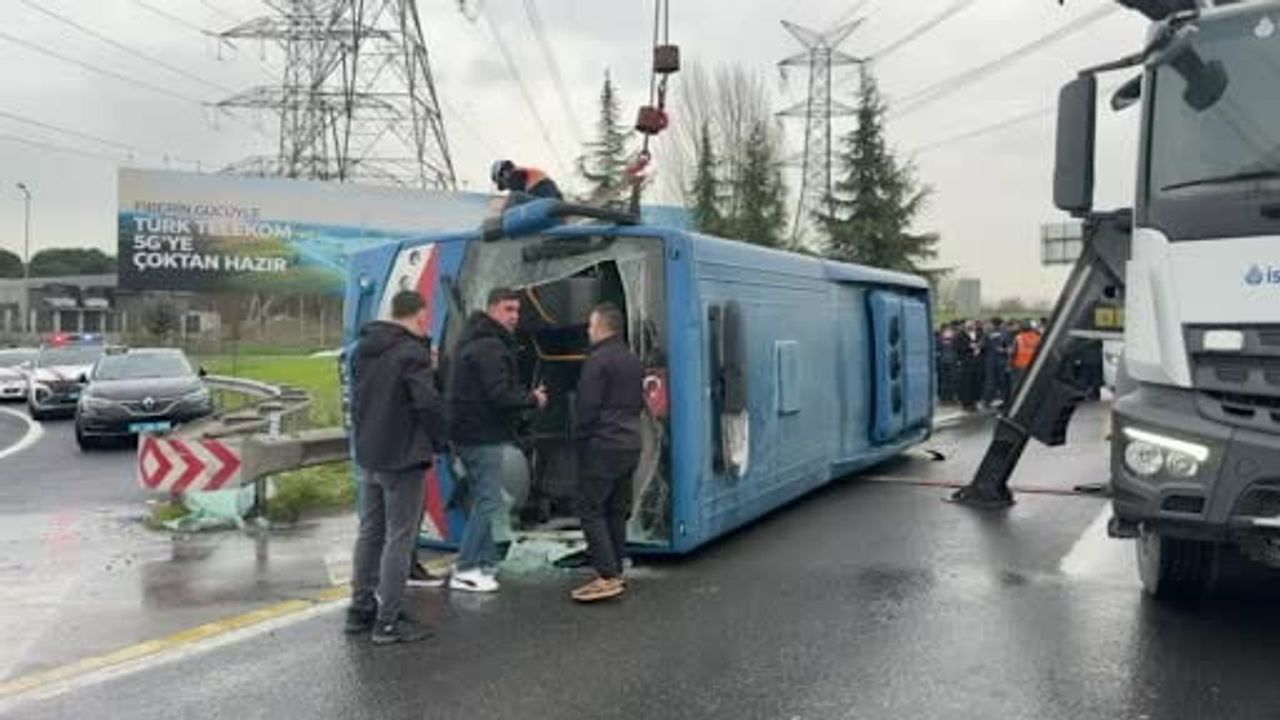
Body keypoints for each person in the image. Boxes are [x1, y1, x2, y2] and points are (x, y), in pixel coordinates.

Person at [346, 290, 448, 645]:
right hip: (403, 457)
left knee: (370, 533)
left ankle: (359, 610)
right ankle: (388, 620)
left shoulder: (362, 349)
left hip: (369, 454)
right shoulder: (411, 354)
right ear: (420, 316)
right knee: (400, 538)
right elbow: (428, 404)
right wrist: (442, 441)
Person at [446, 287, 548, 593]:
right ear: (491, 309)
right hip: (481, 435)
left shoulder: (474, 340)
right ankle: (466, 568)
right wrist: (533, 398)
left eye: (517, 311)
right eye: (508, 309)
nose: (514, 317)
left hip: (470, 433)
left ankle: (485, 562)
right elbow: (499, 394)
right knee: (489, 502)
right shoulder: (489, 346)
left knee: (487, 499)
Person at [571, 303, 644, 603]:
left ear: (602, 327)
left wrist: (579, 438)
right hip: (630, 442)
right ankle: (617, 566)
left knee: (590, 509)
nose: (588, 331)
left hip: (603, 443)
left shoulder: (598, 361)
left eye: (590, 325)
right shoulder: (631, 359)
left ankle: (606, 576)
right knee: (616, 509)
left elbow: (587, 406)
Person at [491, 159, 564, 202]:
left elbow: (517, 198)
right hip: (551, 191)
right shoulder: (522, 172)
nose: (506, 187)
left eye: (502, 183)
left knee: (514, 199)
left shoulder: (514, 176)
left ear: (504, 174)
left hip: (540, 191)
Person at [1009, 319, 1042, 403]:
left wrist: (1009, 364)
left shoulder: (1018, 337)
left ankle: (1014, 403)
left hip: (1020, 365)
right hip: (1034, 365)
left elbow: (1013, 352)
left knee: (1017, 386)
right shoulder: (1038, 338)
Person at [957, 319, 984, 412]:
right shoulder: (960, 335)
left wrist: (980, 348)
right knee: (966, 384)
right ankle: (966, 403)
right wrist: (969, 347)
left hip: (978, 363)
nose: (971, 327)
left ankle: (974, 402)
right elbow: (957, 347)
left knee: (976, 383)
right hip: (966, 363)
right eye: (969, 325)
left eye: (972, 325)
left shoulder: (980, 334)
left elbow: (984, 345)